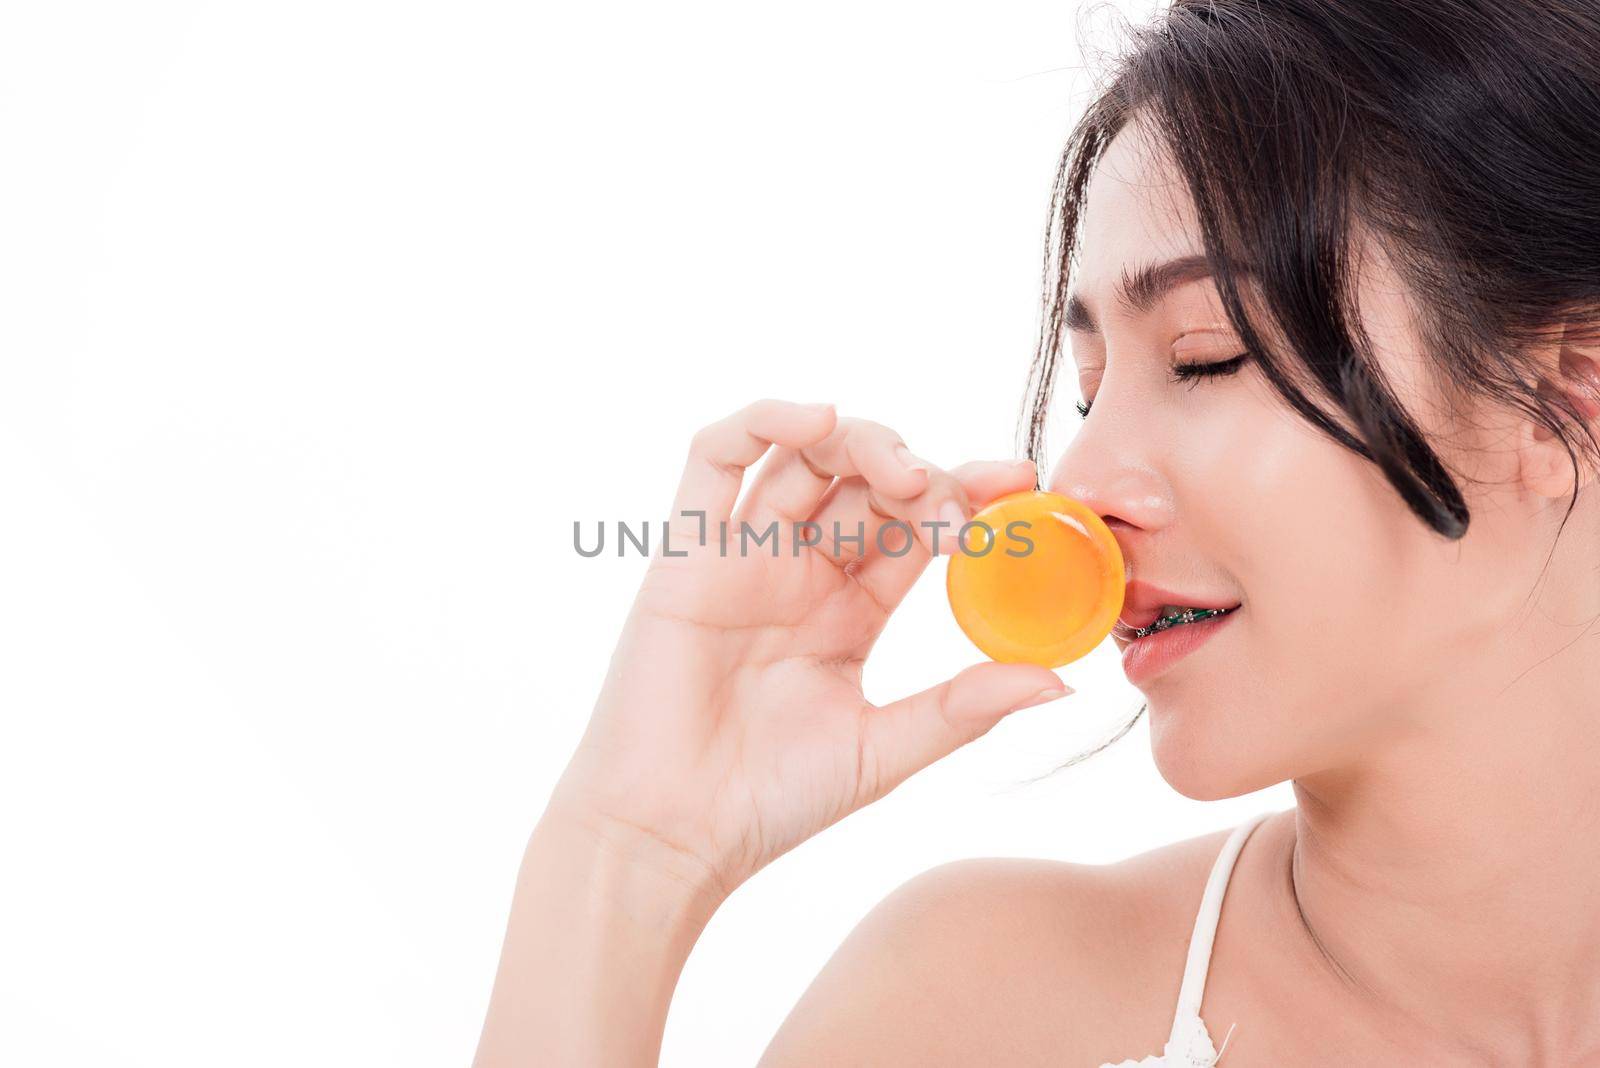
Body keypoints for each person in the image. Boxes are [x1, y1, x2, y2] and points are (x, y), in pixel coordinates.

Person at [474, 1, 1600, 1063]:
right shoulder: (976, 1006)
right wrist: (626, 851)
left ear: (1566, 396)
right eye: (1086, 392)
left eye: (1205, 357)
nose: (1077, 481)